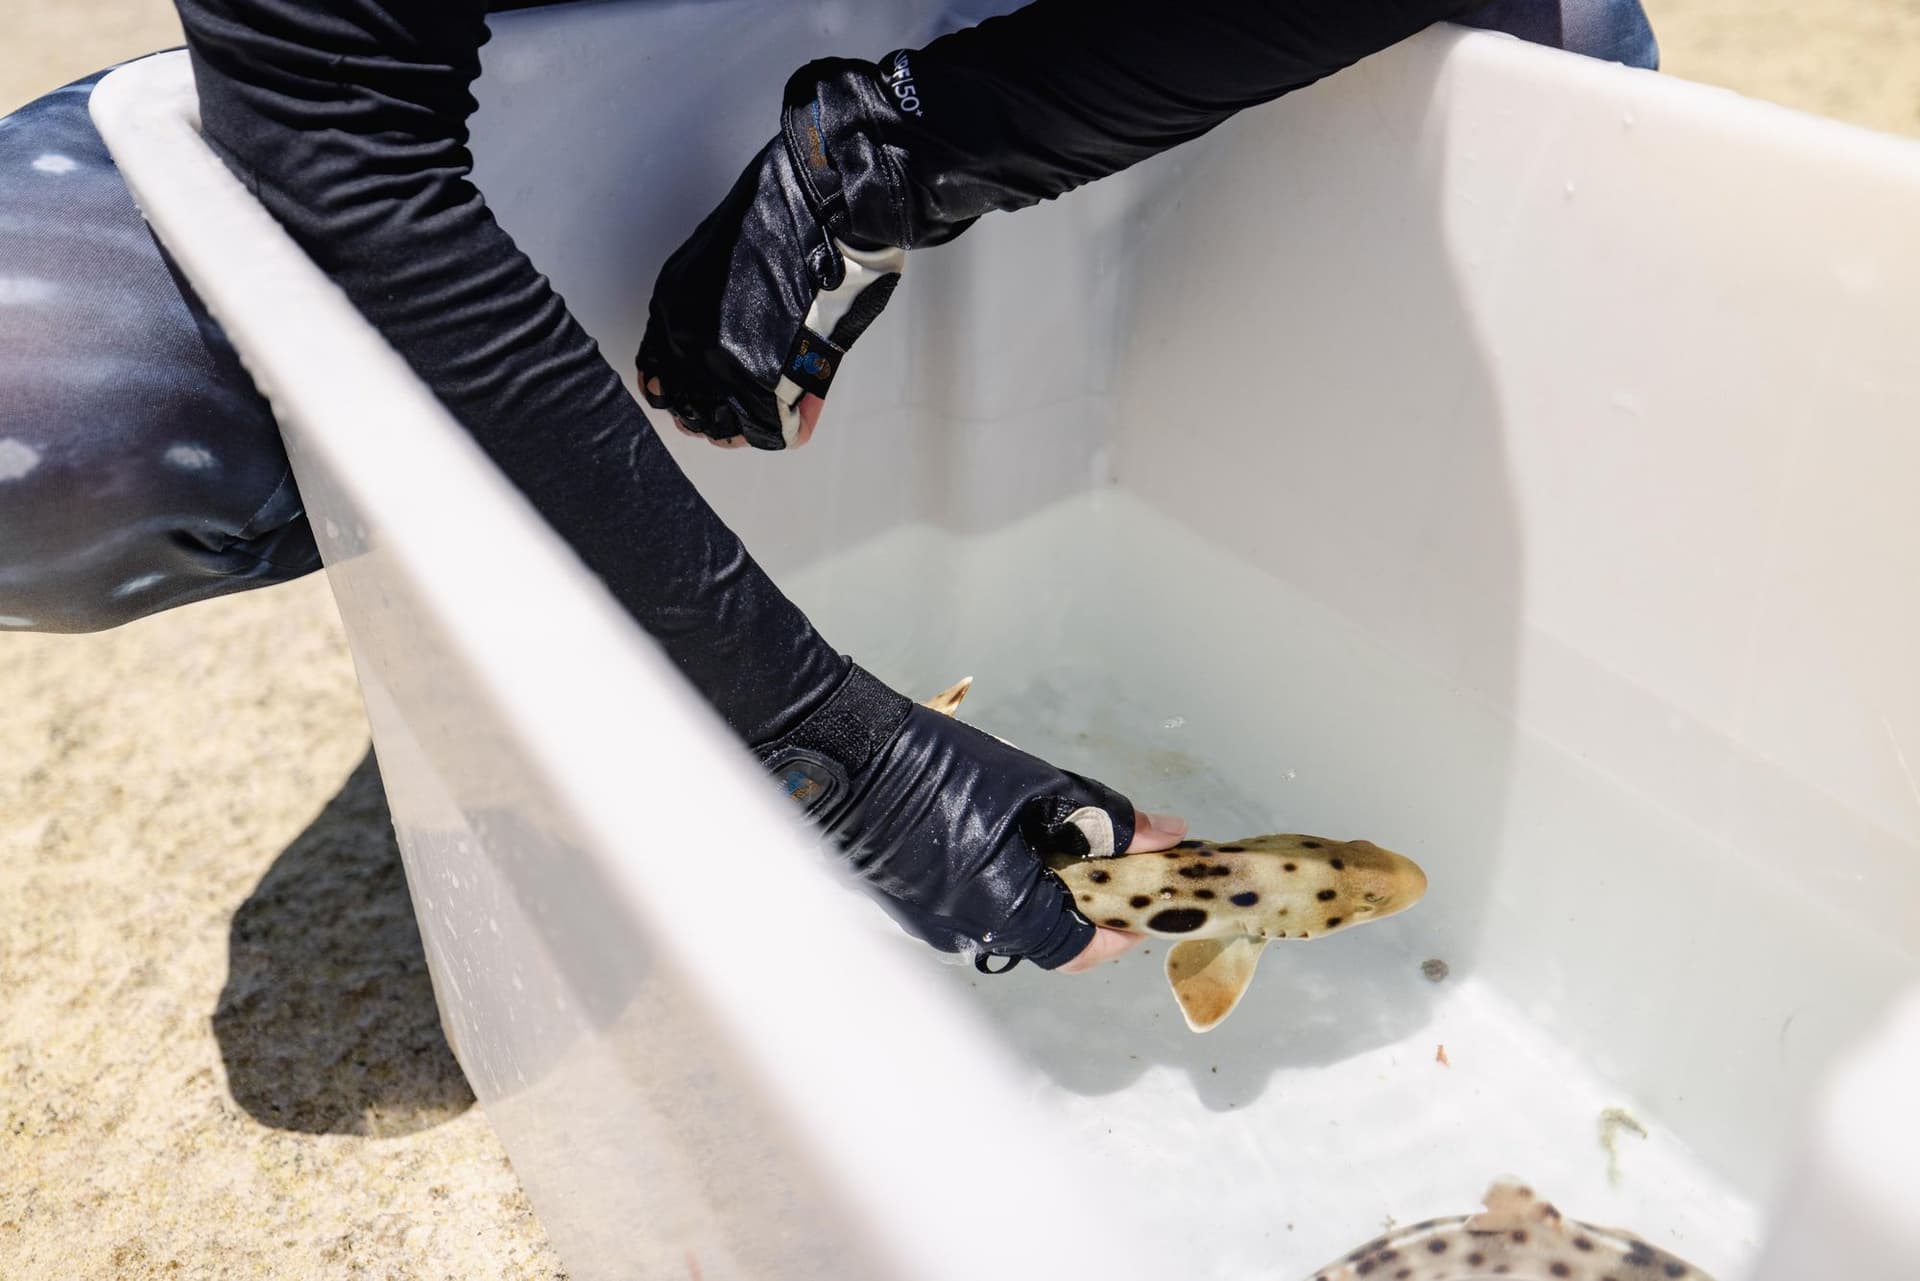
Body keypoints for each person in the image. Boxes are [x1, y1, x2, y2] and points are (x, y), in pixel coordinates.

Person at [0, 0, 1655, 974]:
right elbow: (341, 139)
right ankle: (514, 581)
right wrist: (825, 737)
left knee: (1570, 61)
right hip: (547, 47)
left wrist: (924, 148)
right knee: (45, 408)